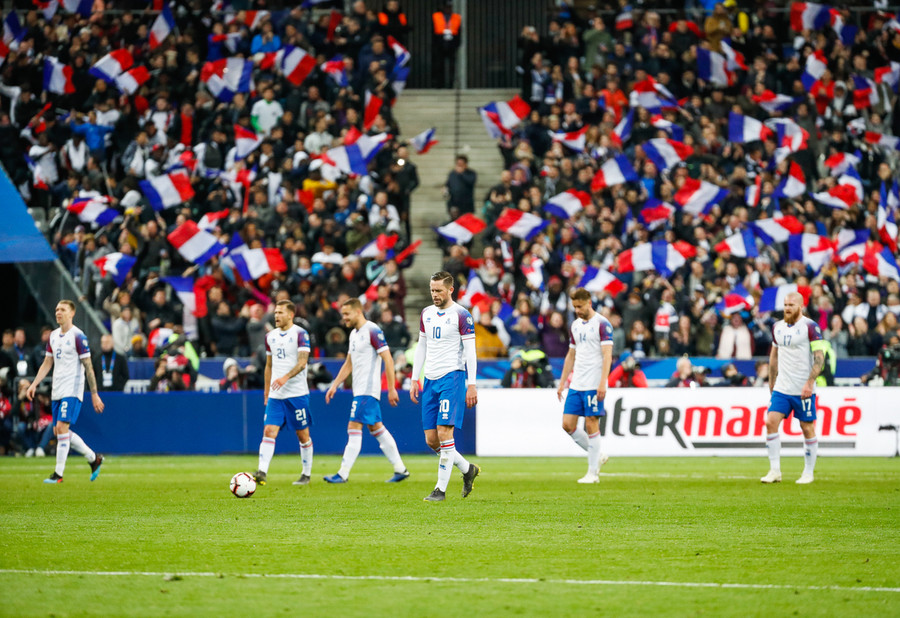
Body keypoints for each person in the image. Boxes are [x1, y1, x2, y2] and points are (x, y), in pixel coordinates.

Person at [410, 271, 480, 502]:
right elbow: (421, 346)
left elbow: (470, 352)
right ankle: (467, 469)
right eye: (432, 290)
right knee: (432, 440)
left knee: (444, 432)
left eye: (439, 290)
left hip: (452, 377)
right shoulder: (426, 313)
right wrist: (414, 378)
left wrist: (472, 384)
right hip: (430, 379)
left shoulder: (462, 315)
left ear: (451, 290)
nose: (435, 294)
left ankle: (440, 490)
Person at [323, 298, 409, 483]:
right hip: (360, 390)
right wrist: (335, 384)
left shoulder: (372, 330)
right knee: (376, 427)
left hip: (367, 390)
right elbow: (349, 363)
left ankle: (343, 473)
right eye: (343, 314)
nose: (344, 318)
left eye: (347, 314)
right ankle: (400, 469)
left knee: (353, 427)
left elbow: (388, 359)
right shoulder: (354, 334)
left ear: (358, 312)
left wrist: (391, 388)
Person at [26, 300, 105, 484]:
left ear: (72, 313)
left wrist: (94, 394)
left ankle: (58, 474)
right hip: (57, 389)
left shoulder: (78, 336)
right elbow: (47, 362)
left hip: (72, 388)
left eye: (62, 309)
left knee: (61, 428)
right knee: (59, 430)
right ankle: (94, 458)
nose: (58, 312)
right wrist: (34, 384)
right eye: (56, 309)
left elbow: (88, 366)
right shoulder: (53, 336)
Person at [761, 292, 826, 485]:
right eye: (785, 305)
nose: (787, 308)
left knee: (807, 427)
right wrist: (772, 382)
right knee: (770, 422)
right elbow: (774, 356)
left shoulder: (810, 327)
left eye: (791, 305)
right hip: (782, 387)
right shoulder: (777, 327)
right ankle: (775, 471)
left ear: (800, 306)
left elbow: (819, 357)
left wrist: (810, 383)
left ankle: (808, 472)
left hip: (803, 388)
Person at [254, 301, 314, 487]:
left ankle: (306, 474)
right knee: (269, 431)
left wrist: (285, 378)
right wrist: (267, 391)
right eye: (275, 313)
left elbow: (302, 363)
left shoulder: (300, 334)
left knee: (302, 435)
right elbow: (269, 365)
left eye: (280, 313)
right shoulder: (270, 337)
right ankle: (262, 472)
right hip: (276, 395)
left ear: (290, 315)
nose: (276, 316)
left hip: (297, 393)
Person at [557, 288, 614, 483]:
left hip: (594, 382)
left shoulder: (602, 324)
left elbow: (607, 355)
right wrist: (562, 382)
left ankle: (593, 473)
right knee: (567, 424)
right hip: (577, 383)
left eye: (580, 306)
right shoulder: (575, 325)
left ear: (589, 302)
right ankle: (597, 454)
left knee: (591, 423)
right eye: (574, 307)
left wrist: (602, 382)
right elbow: (571, 355)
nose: (577, 311)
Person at [431, 0, 462, 88]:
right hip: (440, 43)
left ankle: (451, 84)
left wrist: (457, 44)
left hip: (452, 43)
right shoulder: (436, 16)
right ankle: (440, 85)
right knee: (439, 65)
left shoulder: (456, 17)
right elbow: (433, 31)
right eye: (446, 7)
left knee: (452, 66)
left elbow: (459, 32)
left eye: (450, 7)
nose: (448, 9)